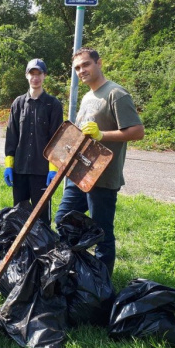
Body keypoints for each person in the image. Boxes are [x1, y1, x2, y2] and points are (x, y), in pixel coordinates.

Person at [54, 47, 144, 275]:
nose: (81, 70)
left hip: (103, 176)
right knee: (63, 220)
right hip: (80, 173)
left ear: (99, 63)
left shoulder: (116, 94)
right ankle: (75, 269)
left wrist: (102, 135)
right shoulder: (87, 97)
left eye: (85, 65)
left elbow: (137, 131)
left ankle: (102, 283)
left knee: (102, 232)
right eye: (77, 68)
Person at [4, 58, 63, 225]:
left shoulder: (53, 104)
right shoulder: (18, 103)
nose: (35, 78)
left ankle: (43, 249)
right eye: (32, 73)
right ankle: (21, 248)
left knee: (42, 218)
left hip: (42, 172)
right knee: (18, 215)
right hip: (20, 170)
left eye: (39, 74)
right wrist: (9, 164)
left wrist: (53, 169)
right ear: (26, 76)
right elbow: (11, 136)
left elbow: (57, 140)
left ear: (44, 76)